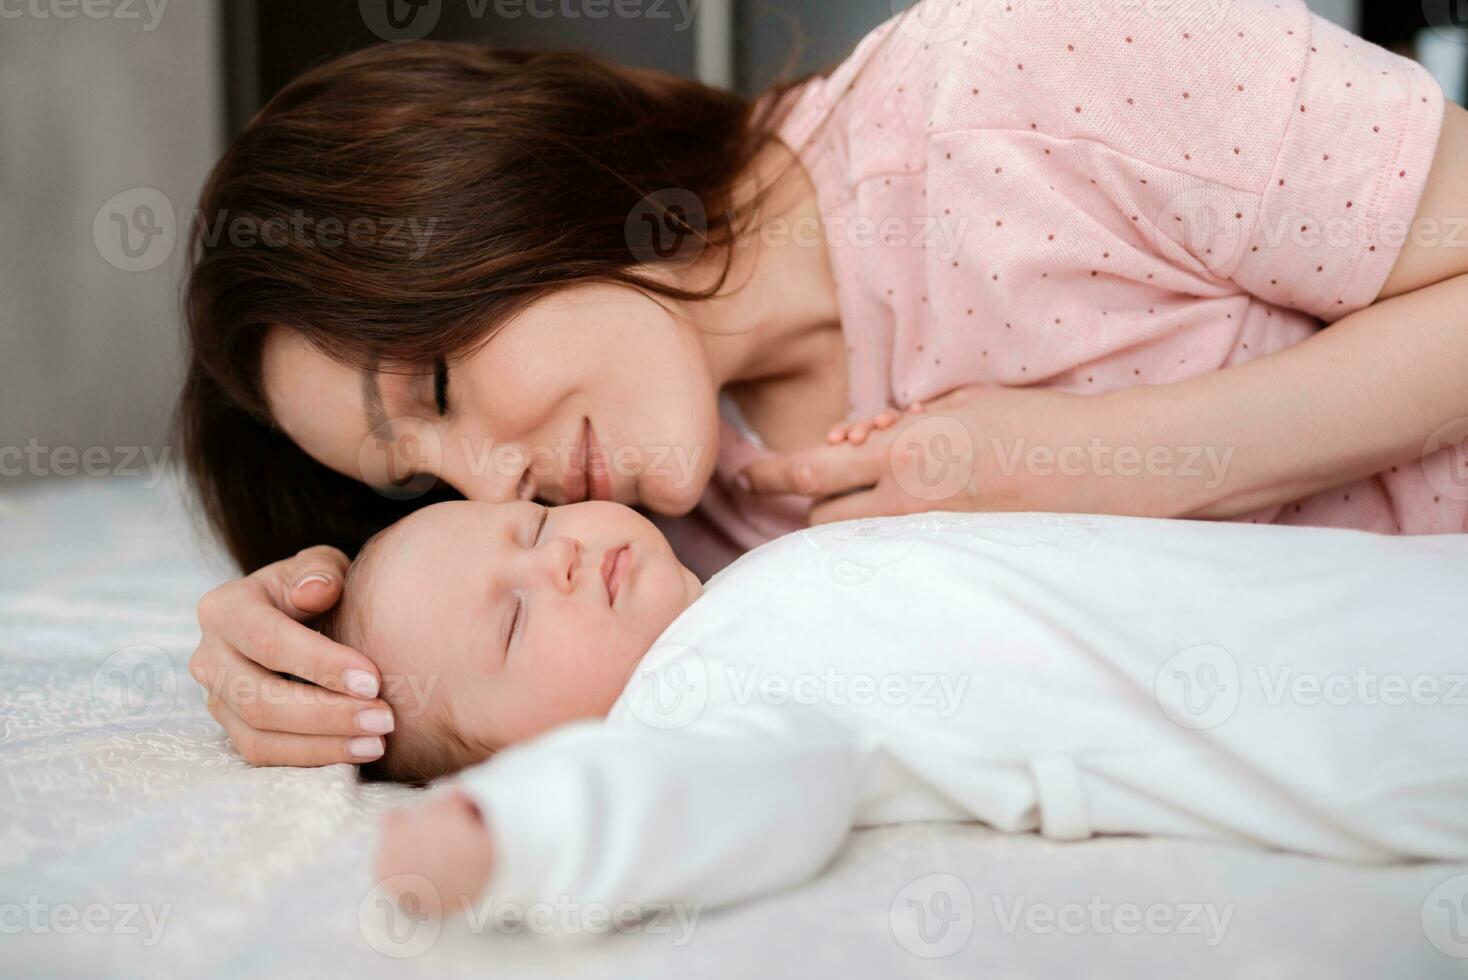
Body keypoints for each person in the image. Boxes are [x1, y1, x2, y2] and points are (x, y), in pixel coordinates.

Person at [182, 0, 1468, 766]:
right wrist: (308, 663)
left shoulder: (1019, 82)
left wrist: (1114, 458)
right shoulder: (672, 554)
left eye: (441, 385)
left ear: (501, 191)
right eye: (419, 479)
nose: (486, 482)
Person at [313, 497, 1468, 916]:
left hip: (1346, 594)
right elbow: (728, 795)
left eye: (530, 524)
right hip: (1357, 714)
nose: (558, 558)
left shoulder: (739, 584)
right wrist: (517, 831)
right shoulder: (696, 699)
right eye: (511, 622)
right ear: (525, 752)